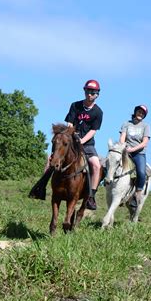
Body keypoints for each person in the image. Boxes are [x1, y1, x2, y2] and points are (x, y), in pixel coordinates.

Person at [64, 79, 103, 210]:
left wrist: (82, 140)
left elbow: (93, 130)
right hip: (71, 140)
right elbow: (69, 122)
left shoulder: (98, 112)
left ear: (97, 94)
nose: (90, 94)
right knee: (52, 158)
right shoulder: (75, 105)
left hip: (87, 144)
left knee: (96, 165)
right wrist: (72, 134)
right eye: (87, 91)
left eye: (93, 92)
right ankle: (41, 187)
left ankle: (91, 196)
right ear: (84, 91)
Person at [119, 105, 151, 207]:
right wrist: (123, 147)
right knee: (112, 162)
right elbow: (122, 138)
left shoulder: (146, 126)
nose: (140, 114)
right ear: (135, 112)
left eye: (142, 113)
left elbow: (144, 143)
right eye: (139, 112)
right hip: (125, 151)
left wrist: (132, 149)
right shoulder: (126, 124)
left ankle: (137, 192)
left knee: (141, 172)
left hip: (138, 153)